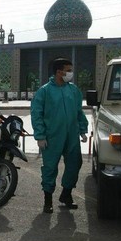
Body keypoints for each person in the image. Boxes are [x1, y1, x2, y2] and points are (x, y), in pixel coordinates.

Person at [31, 58, 88, 213]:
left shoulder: (73, 90)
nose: (71, 73)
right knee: (50, 167)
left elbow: (79, 111)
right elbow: (36, 114)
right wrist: (40, 136)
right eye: (68, 70)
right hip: (52, 136)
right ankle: (48, 200)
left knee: (74, 164)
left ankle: (66, 194)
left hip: (72, 135)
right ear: (58, 72)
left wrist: (82, 129)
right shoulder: (44, 91)